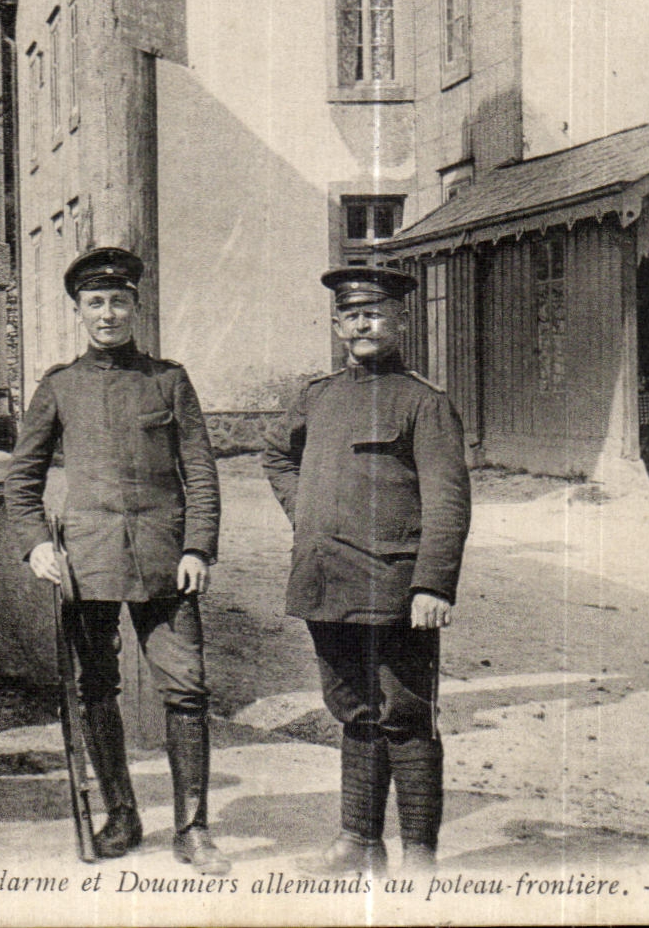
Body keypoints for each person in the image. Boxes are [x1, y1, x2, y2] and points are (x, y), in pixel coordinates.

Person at [3, 247, 228, 873]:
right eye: (95, 303)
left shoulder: (169, 380)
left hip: (166, 562)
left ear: (135, 306)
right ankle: (122, 814)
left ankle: (193, 828)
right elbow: (21, 482)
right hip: (88, 563)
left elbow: (201, 475)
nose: (107, 314)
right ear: (79, 311)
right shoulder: (59, 386)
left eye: (118, 301)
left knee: (187, 688)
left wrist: (197, 546)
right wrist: (37, 543)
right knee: (97, 685)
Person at [262, 265, 471, 878]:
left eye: (375, 311)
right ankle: (358, 842)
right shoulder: (316, 397)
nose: (362, 322)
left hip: (394, 588)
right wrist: (304, 512)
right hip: (326, 582)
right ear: (336, 324)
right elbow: (276, 454)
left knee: (404, 715)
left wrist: (433, 583)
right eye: (351, 313)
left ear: (401, 320)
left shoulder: (422, 402)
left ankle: (420, 856)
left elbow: (449, 500)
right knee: (352, 710)